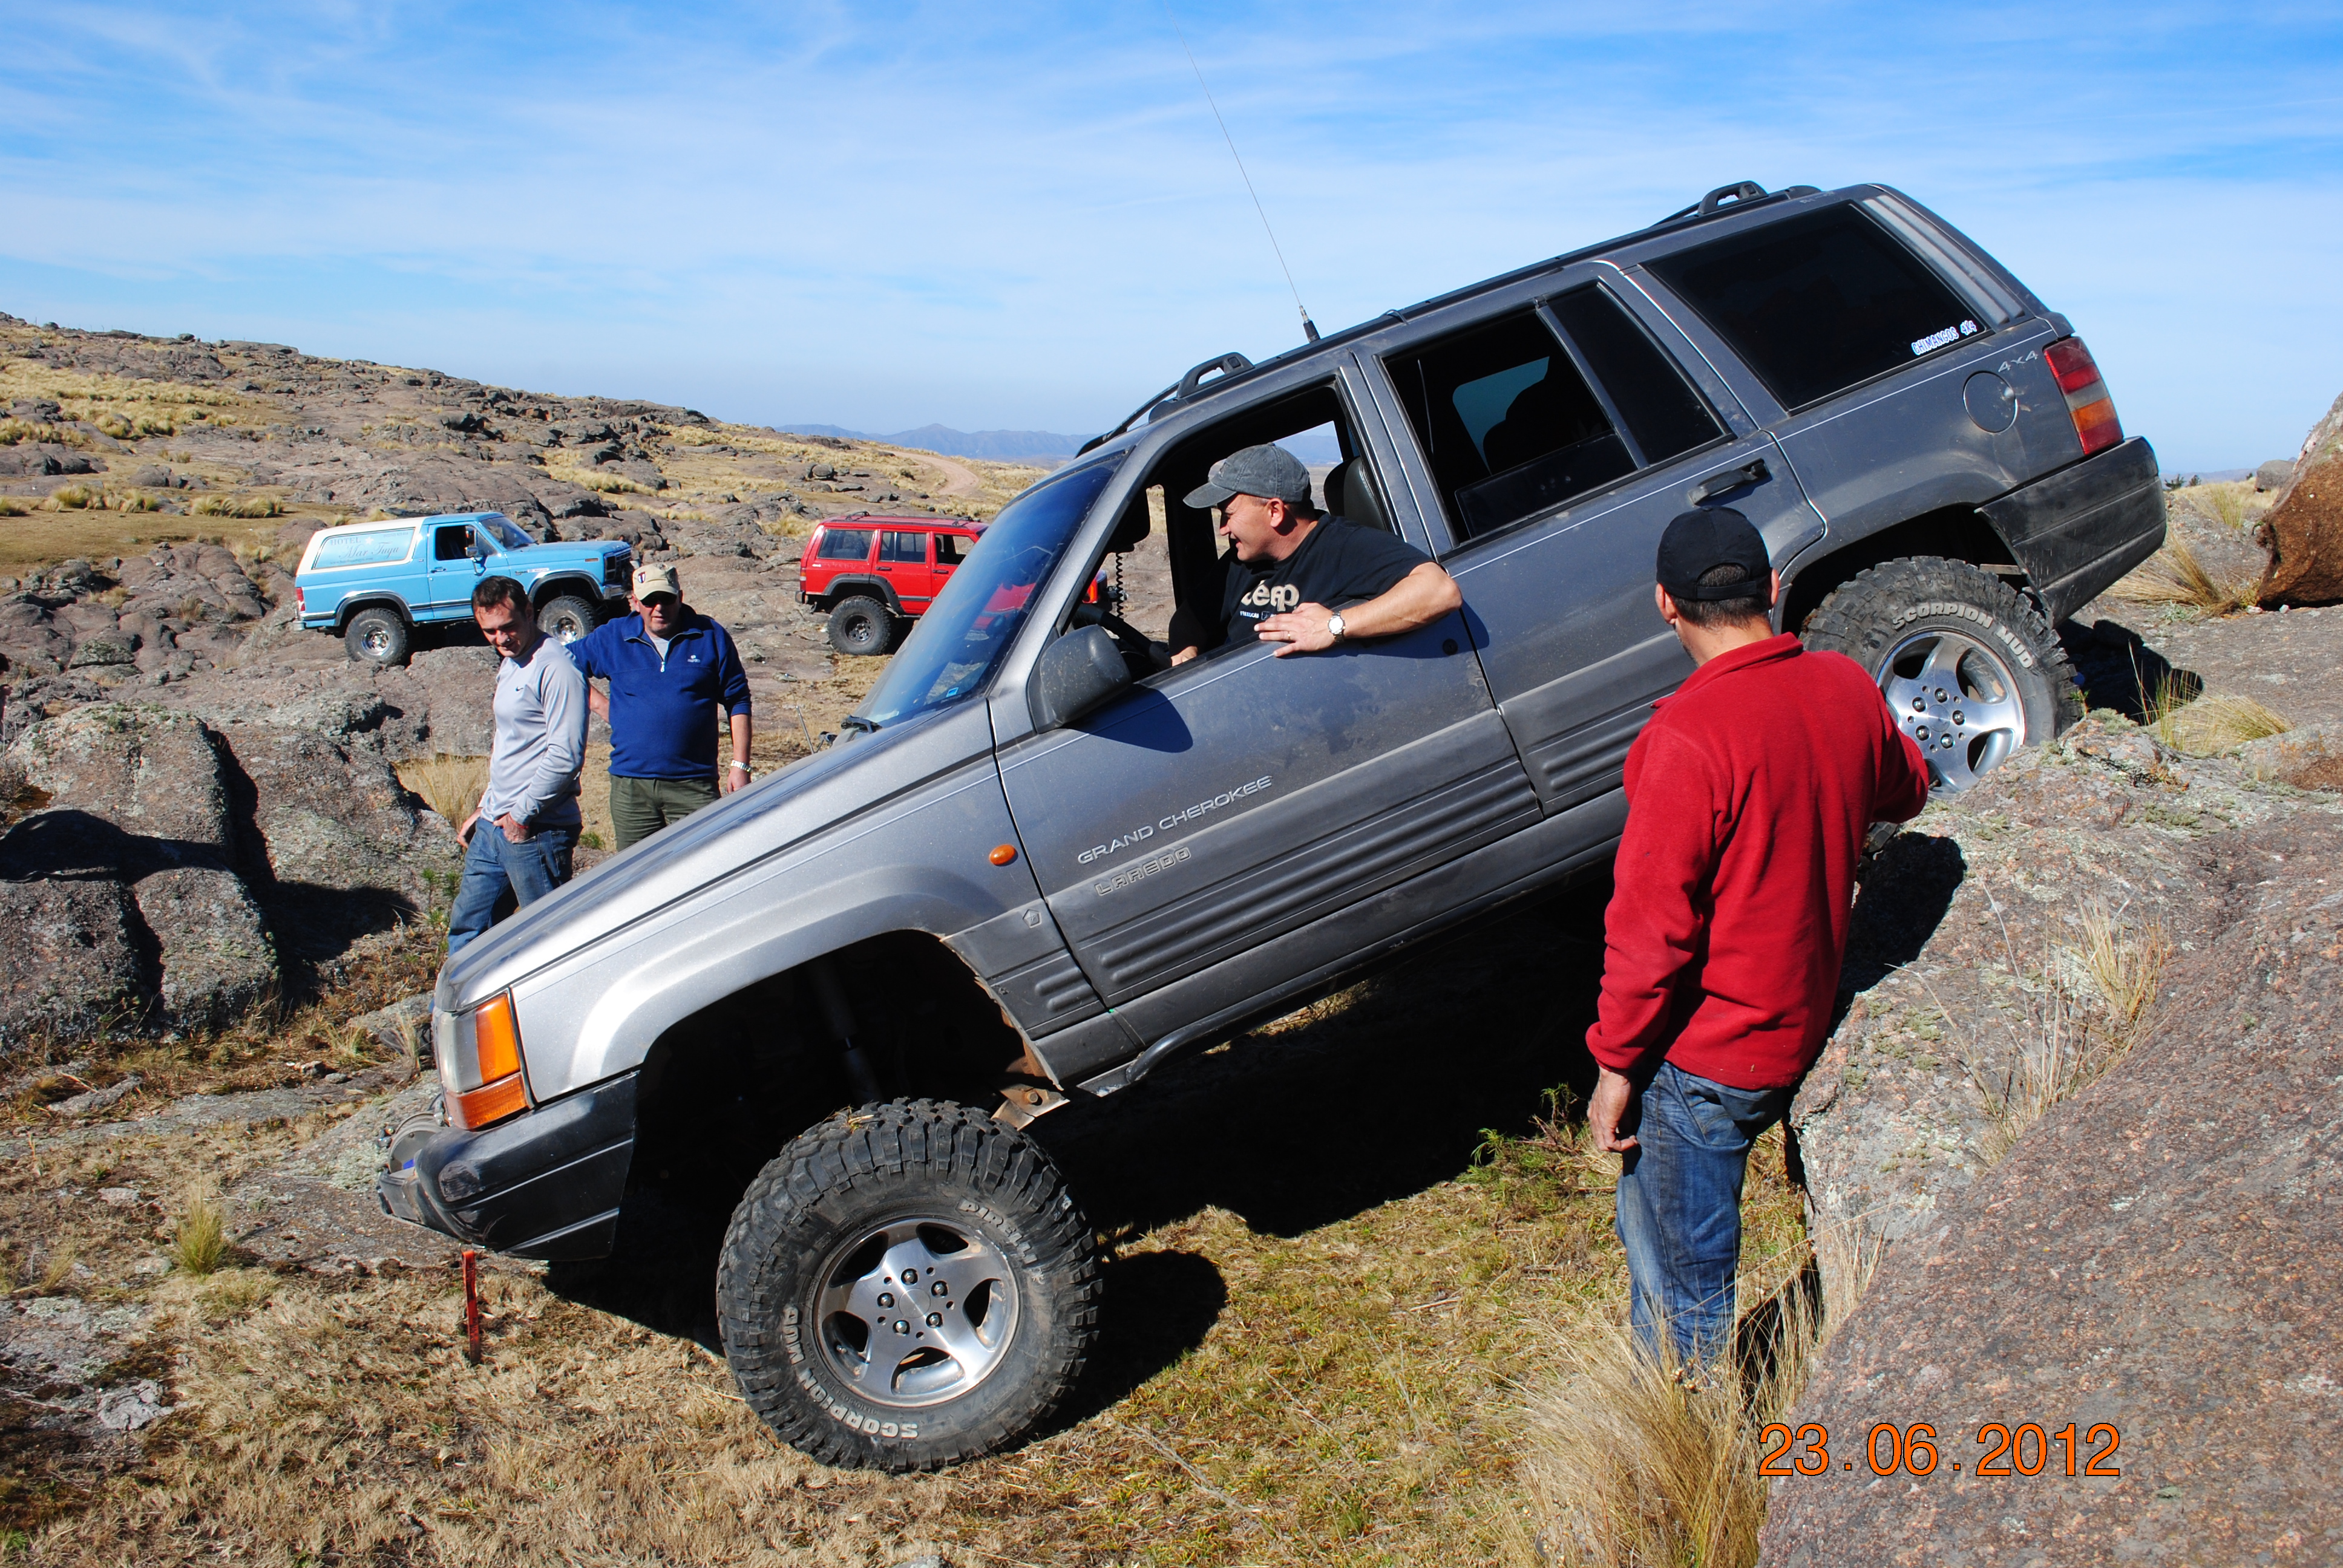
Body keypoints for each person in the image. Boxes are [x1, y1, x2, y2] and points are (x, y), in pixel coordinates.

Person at [1585, 508, 1932, 1370]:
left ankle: (1683, 1456)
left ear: (1666, 605)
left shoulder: (1684, 738)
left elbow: (1649, 935)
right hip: (1802, 1017)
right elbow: (1909, 789)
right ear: (1773, 589)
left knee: (1680, 1287)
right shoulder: (1845, 687)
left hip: (1709, 1058)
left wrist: (1615, 1067)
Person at [1167, 443, 1462, 662]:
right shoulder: (1242, 561)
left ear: (1274, 511)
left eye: (1228, 515)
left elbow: (1440, 591)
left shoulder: (1343, 547)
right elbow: (1189, 620)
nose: (1223, 529)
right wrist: (1187, 657)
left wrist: (1335, 626)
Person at [569, 563, 754, 851]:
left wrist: (740, 765)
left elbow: (738, 699)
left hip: (694, 784)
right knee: (633, 877)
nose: (658, 608)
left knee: (703, 869)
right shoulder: (614, 636)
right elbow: (563, 666)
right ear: (634, 602)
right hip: (631, 786)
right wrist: (603, 706)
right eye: (648, 601)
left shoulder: (710, 636)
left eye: (666, 599)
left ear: (680, 597)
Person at [449, 575, 589, 955]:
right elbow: (510, 743)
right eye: (490, 631)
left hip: (536, 829)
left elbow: (566, 756)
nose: (501, 639)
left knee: (547, 941)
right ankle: (457, 1013)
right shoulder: (511, 663)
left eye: (509, 627)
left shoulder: (556, 667)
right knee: (469, 929)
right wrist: (486, 805)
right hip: (495, 824)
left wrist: (521, 816)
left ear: (529, 612)